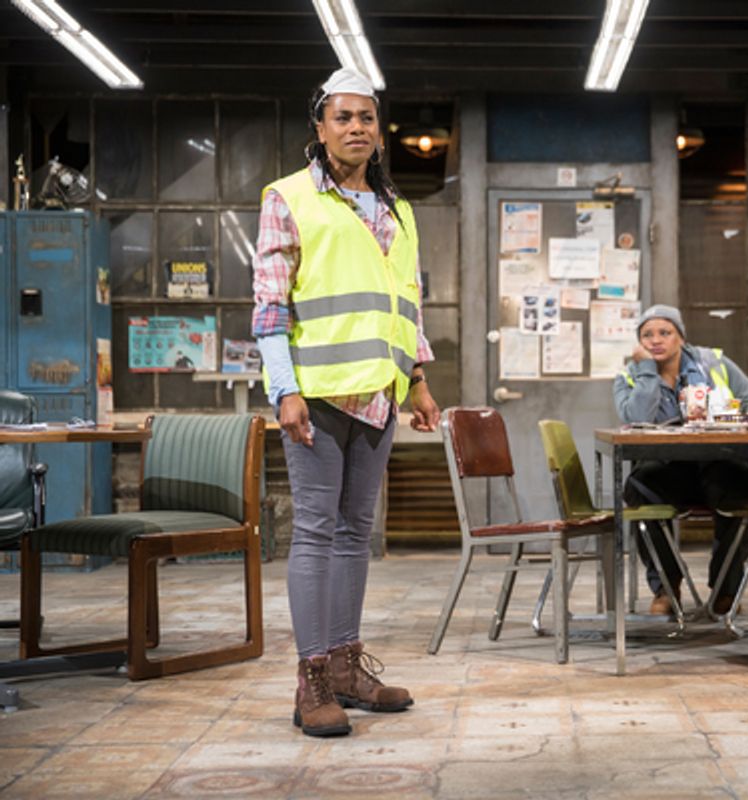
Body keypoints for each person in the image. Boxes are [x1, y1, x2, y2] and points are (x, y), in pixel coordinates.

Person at [252, 68, 441, 738]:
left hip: (381, 396)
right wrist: (285, 390)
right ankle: (310, 682)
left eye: (367, 118)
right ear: (320, 127)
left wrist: (417, 379)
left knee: (357, 531)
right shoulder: (289, 197)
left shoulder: (397, 210)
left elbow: (404, 305)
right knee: (315, 530)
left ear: (378, 132)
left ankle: (344, 664)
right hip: (320, 395)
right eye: (343, 117)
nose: (356, 127)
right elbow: (270, 310)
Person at [613, 304, 748, 615]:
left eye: (664, 332)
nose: (655, 340)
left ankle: (726, 587)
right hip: (669, 469)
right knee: (639, 489)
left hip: (719, 462)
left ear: (681, 338)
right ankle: (666, 585)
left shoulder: (714, 363)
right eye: (647, 335)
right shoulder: (628, 376)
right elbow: (636, 418)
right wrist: (647, 372)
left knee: (739, 487)